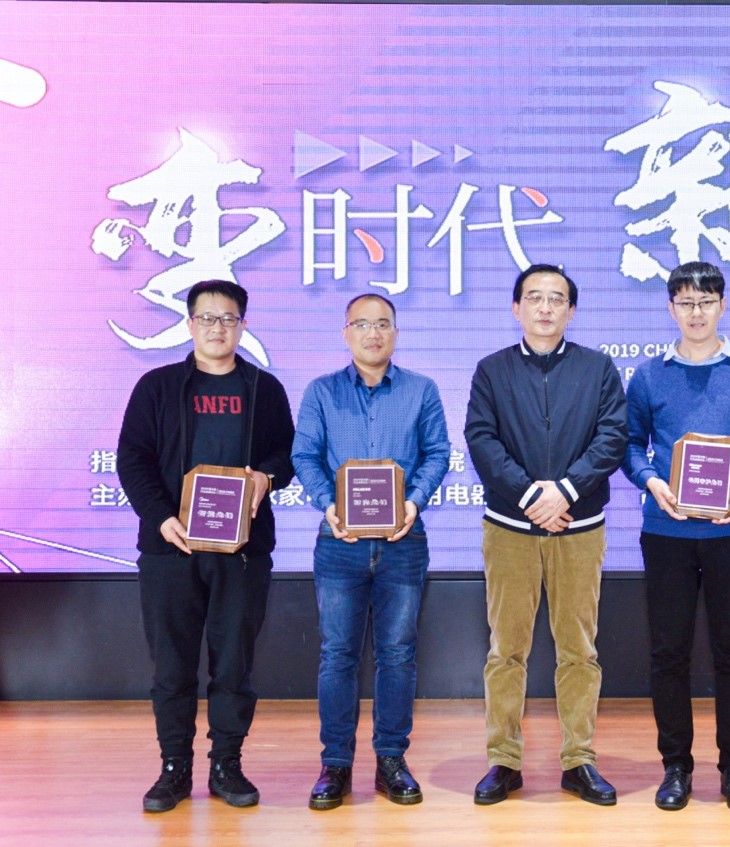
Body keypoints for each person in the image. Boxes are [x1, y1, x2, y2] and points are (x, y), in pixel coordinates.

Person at [623, 261, 730, 814]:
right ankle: (675, 766)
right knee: (668, 652)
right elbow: (628, 444)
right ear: (670, 308)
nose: (696, 312)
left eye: (705, 301)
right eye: (685, 302)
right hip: (666, 532)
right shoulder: (648, 375)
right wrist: (651, 481)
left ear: (723, 305)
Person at [118, 279, 295, 813]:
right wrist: (161, 518)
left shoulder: (265, 389)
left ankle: (227, 764)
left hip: (241, 554)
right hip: (171, 550)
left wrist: (266, 477)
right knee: (172, 668)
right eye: (208, 318)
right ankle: (174, 768)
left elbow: (286, 454)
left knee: (233, 666)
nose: (219, 327)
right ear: (190, 323)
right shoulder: (157, 386)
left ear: (243, 325)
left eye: (229, 318)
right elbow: (132, 459)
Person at [464, 264, 627, 806]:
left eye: (556, 298)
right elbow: (481, 440)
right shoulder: (492, 370)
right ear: (516, 308)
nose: (545, 307)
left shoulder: (598, 369)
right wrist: (531, 496)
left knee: (578, 650)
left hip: (579, 528)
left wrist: (567, 491)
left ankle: (579, 760)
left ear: (571, 310)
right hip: (510, 528)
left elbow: (612, 437)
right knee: (506, 650)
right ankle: (503, 760)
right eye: (534, 297)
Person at [291, 293, 450, 810]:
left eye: (383, 324)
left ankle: (391, 760)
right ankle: (335, 764)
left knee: (398, 654)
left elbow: (438, 452)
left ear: (396, 333)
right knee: (337, 654)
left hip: (404, 543)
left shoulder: (422, 390)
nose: (373, 333)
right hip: (339, 544)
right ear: (346, 333)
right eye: (362, 324)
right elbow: (304, 455)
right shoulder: (322, 392)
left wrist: (413, 501)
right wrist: (329, 505)